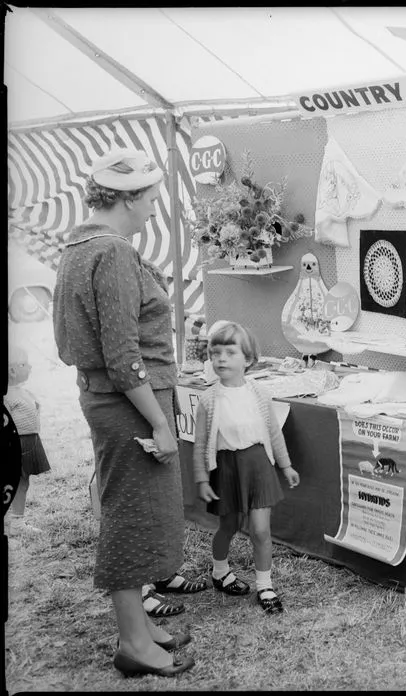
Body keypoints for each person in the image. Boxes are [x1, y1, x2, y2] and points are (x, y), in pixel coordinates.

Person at [52, 149, 195, 678]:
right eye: (152, 199)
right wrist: (159, 422)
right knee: (130, 519)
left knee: (137, 514)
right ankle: (134, 642)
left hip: (114, 399)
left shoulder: (78, 244)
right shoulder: (110, 251)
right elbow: (122, 354)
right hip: (129, 402)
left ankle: (141, 625)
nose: (154, 211)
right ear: (129, 198)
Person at [192, 322, 300, 614]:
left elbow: (274, 433)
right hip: (226, 469)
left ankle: (265, 585)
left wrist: (286, 465)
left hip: (259, 467)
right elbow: (201, 443)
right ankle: (220, 571)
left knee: (260, 530)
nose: (221, 359)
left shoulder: (260, 394)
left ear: (249, 359)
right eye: (215, 353)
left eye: (230, 352)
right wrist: (203, 479)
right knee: (229, 525)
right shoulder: (208, 399)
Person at [4, 344, 51, 536]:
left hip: (29, 442)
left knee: (24, 481)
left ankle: (16, 519)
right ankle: (15, 521)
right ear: (13, 370)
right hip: (18, 444)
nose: (30, 367)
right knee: (19, 481)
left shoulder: (20, 391)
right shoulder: (7, 395)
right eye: (25, 364)